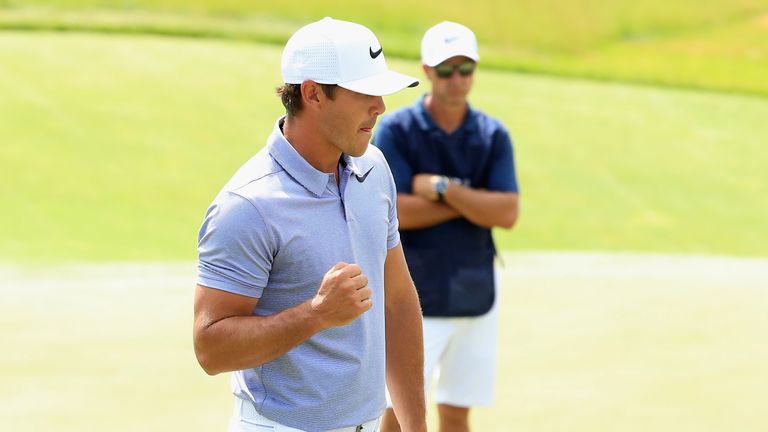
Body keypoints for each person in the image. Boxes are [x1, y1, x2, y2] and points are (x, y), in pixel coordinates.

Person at [193, 17, 427, 432]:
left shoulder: (374, 170)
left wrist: (415, 426)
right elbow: (210, 348)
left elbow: (397, 301)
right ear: (313, 94)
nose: (380, 107)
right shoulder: (248, 204)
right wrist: (316, 314)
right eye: (364, 93)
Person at [373, 21, 520, 432]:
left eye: (465, 68)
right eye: (446, 69)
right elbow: (393, 212)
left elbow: (507, 212)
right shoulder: (397, 130)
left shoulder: (493, 135)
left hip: (476, 293)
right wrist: (473, 201)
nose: (457, 79)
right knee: (397, 412)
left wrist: (442, 190)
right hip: (414, 293)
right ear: (426, 70)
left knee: (456, 410)